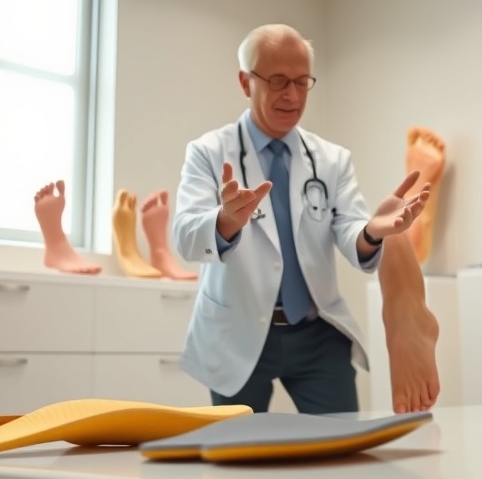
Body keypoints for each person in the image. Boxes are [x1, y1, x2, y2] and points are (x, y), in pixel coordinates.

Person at [171, 24, 431, 414]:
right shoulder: (208, 152)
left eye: (301, 82)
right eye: (277, 81)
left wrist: (372, 231)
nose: (292, 95)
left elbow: (350, 229)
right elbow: (186, 237)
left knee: (341, 456)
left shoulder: (331, 159)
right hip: (236, 331)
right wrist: (225, 221)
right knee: (236, 464)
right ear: (246, 82)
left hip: (316, 333)